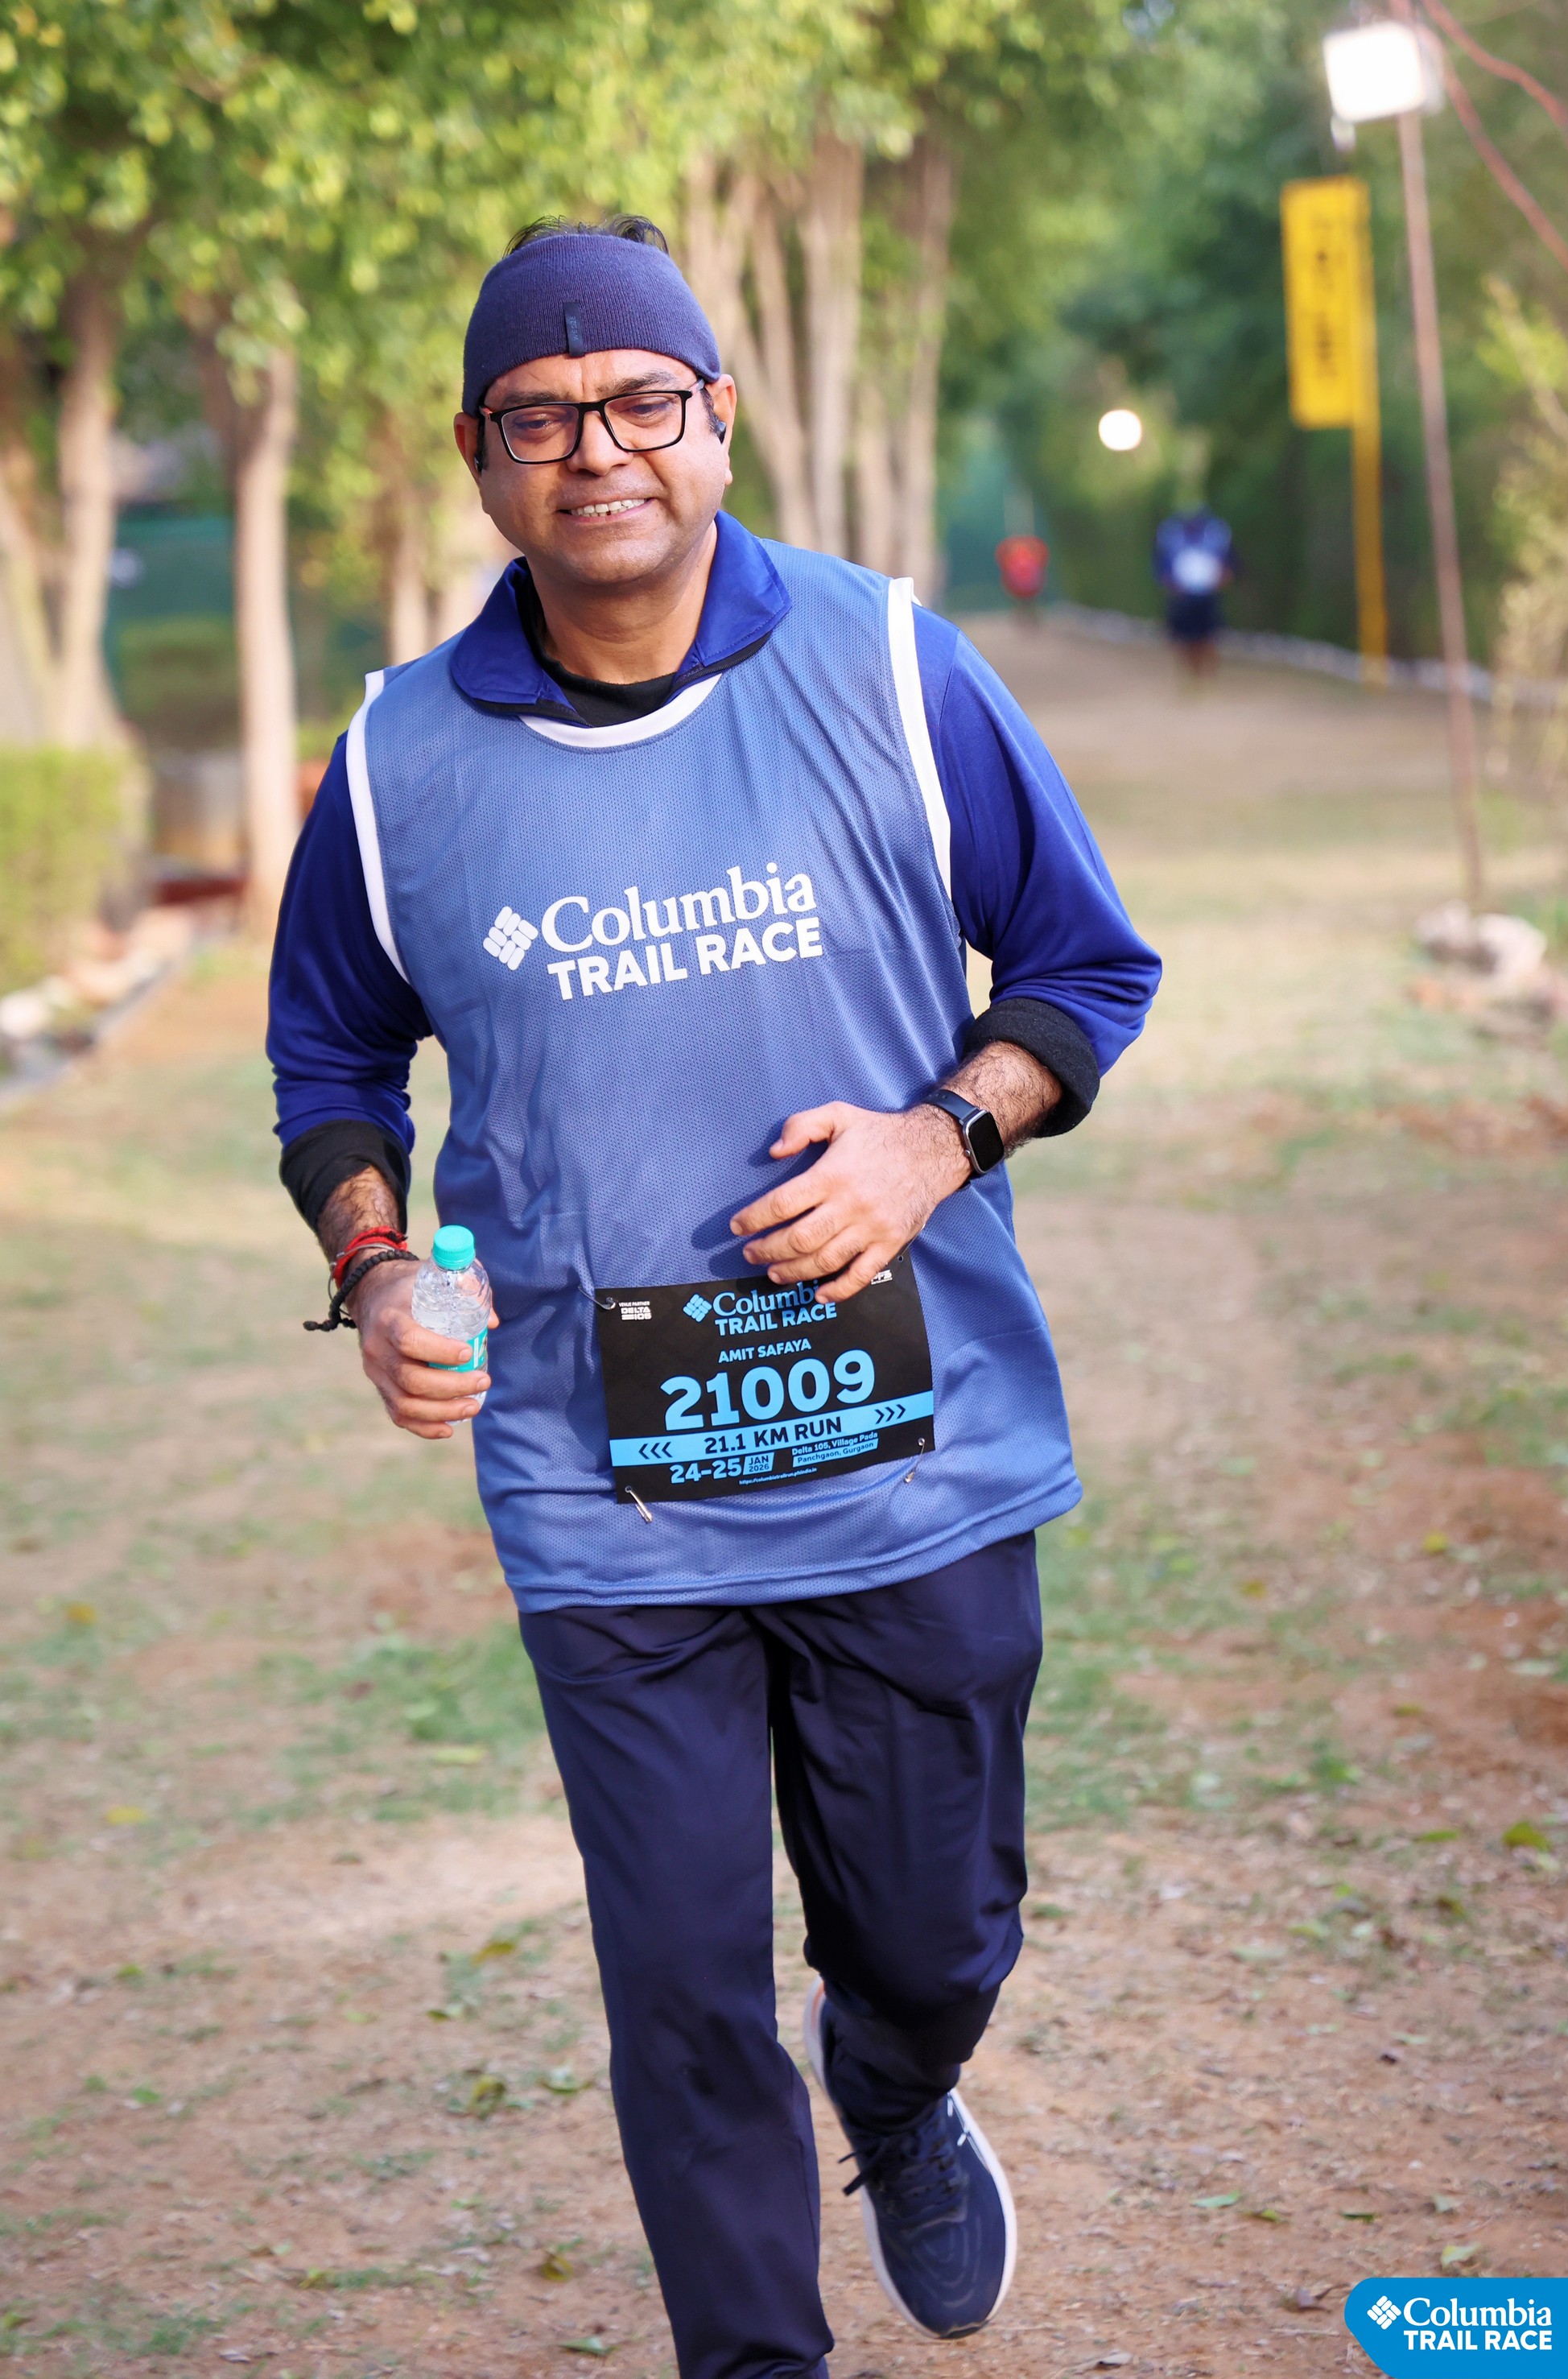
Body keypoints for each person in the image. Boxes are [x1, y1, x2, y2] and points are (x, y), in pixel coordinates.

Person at [268, 214, 1159, 2378]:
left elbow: (1078, 970)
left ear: (719, 422)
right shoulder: (401, 764)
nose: (598, 449)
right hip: (607, 1496)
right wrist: (375, 1266)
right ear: (480, 456)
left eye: (641, 401)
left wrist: (930, 1140)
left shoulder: (886, 667)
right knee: (677, 1990)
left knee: (928, 1936)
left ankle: (901, 2083)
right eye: (541, 416)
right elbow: (331, 1061)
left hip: (911, 1451)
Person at [1153, 504, 1237, 678]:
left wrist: (1219, 583)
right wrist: (1173, 587)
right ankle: (1189, 674)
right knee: (1184, 639)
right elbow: (1161, 567)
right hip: (1183, 597)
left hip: (1208, 596)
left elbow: (1230, 564)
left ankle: (1207, 674)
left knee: (1209, 637)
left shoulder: (1217, 535)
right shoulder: (1170, 536)